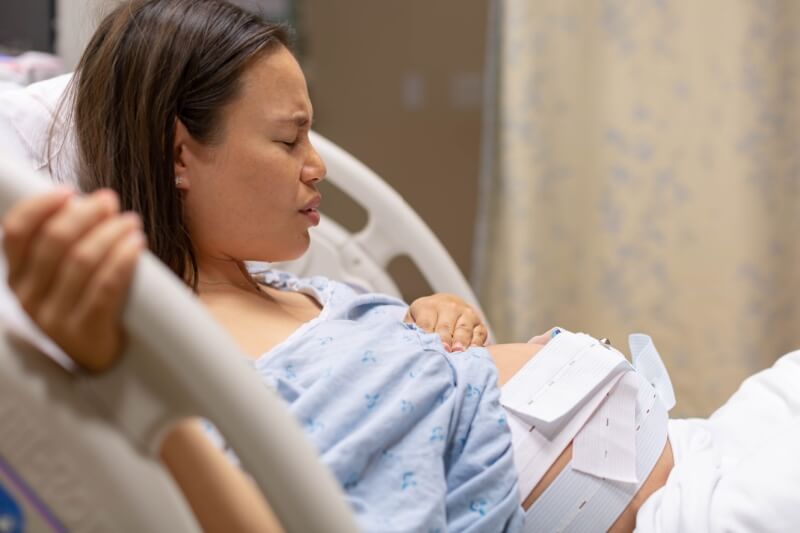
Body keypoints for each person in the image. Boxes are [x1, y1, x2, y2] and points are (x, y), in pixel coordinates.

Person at [8, 0, 765, 531]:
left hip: (702, 448)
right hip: (686, 505)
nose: (316, 168)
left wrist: (431, 316)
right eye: (289, 140)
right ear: (180, 153)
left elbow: (424, 400)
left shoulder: (291, 292)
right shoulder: (203, 373)